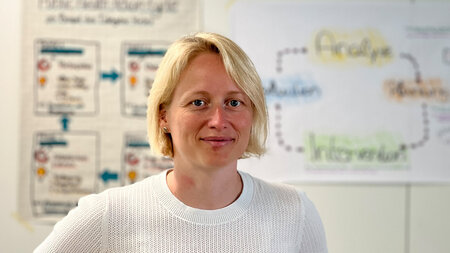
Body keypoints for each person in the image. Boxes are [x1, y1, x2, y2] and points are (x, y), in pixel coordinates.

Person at [35, 32, 328, 252]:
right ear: (164, 116)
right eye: (198, 102)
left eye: (234, 103)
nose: (218, 120)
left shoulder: (294, 212)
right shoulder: (109, 215)